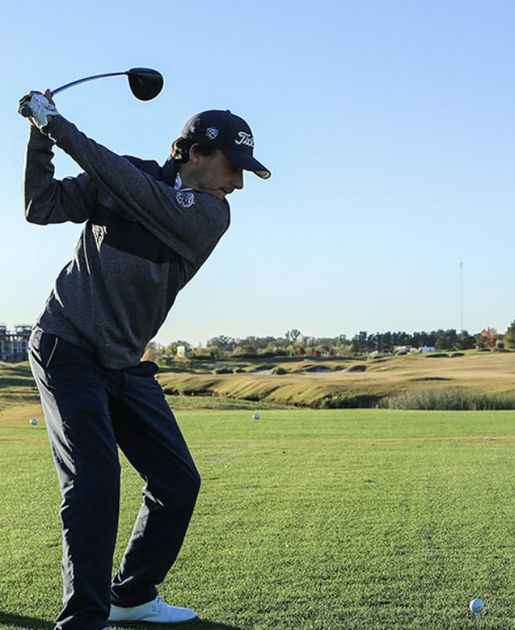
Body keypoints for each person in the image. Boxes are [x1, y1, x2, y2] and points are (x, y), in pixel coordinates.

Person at [18, 90, 270, 630]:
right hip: (67, 346)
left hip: (125, 362)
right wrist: (40, 139)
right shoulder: (122, 178)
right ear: (194, 153)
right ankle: (84, 620)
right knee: (95, 482)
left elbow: (134, 191)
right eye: (233, 167)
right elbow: (41, 206)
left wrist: (59, 125)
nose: (239, 183)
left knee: (177, 481)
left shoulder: (210, 214)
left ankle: (131, 594)